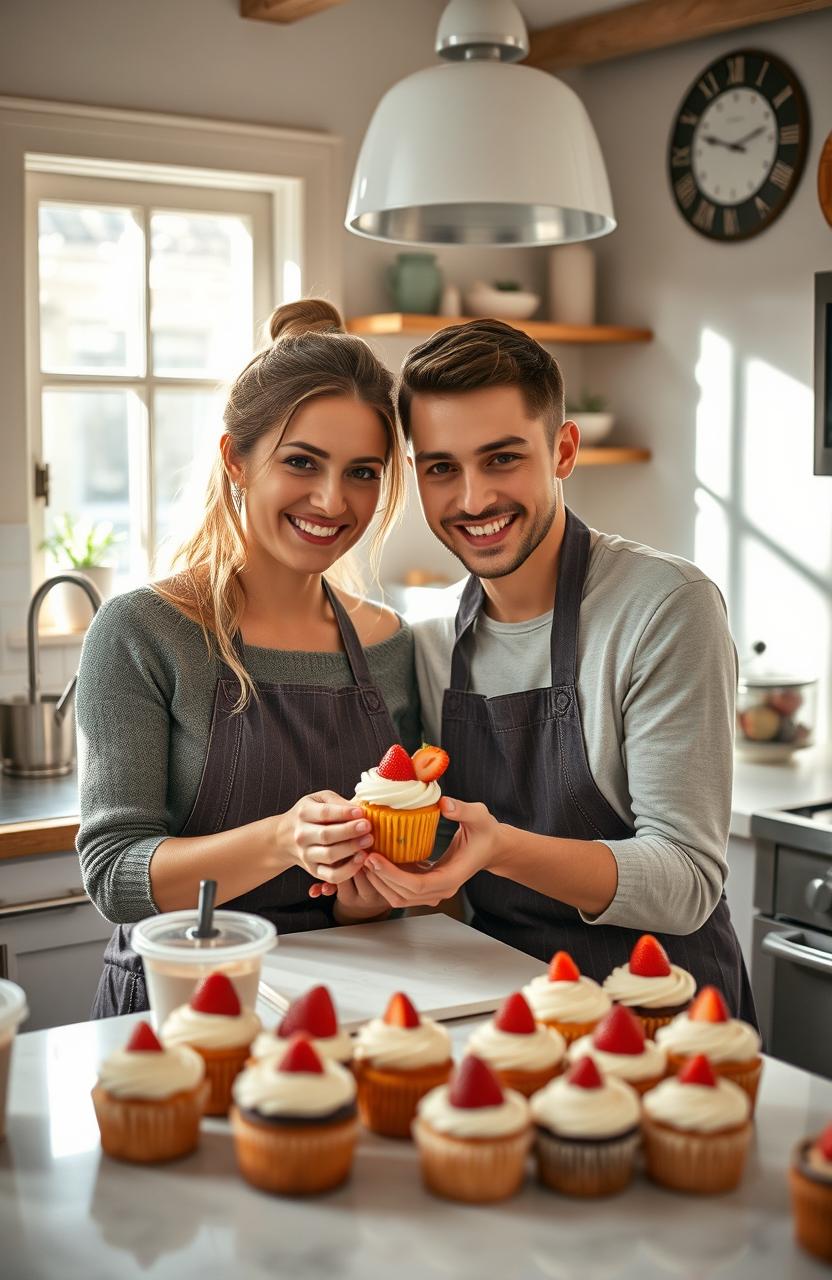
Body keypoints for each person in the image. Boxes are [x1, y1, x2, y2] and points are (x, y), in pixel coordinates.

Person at [356, 318, 756, 1022]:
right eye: (442, 468)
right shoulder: (431, 644)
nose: (474, 500)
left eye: (503, 458)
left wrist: (499, 849)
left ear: (563, 450)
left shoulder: (666, 607)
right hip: (508, 1018)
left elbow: (686, 881)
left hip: (667, 1023)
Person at [78, 299, 418, 1017]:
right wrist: (285, 839)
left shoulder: (390, 644)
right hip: (178, 1007)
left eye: (363, 472)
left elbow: (395, 870)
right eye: (302, 462)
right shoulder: (143, 631)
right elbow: (114, 872)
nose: (333, 500)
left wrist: (366, 901)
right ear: (236, 457)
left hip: (345, 1006)